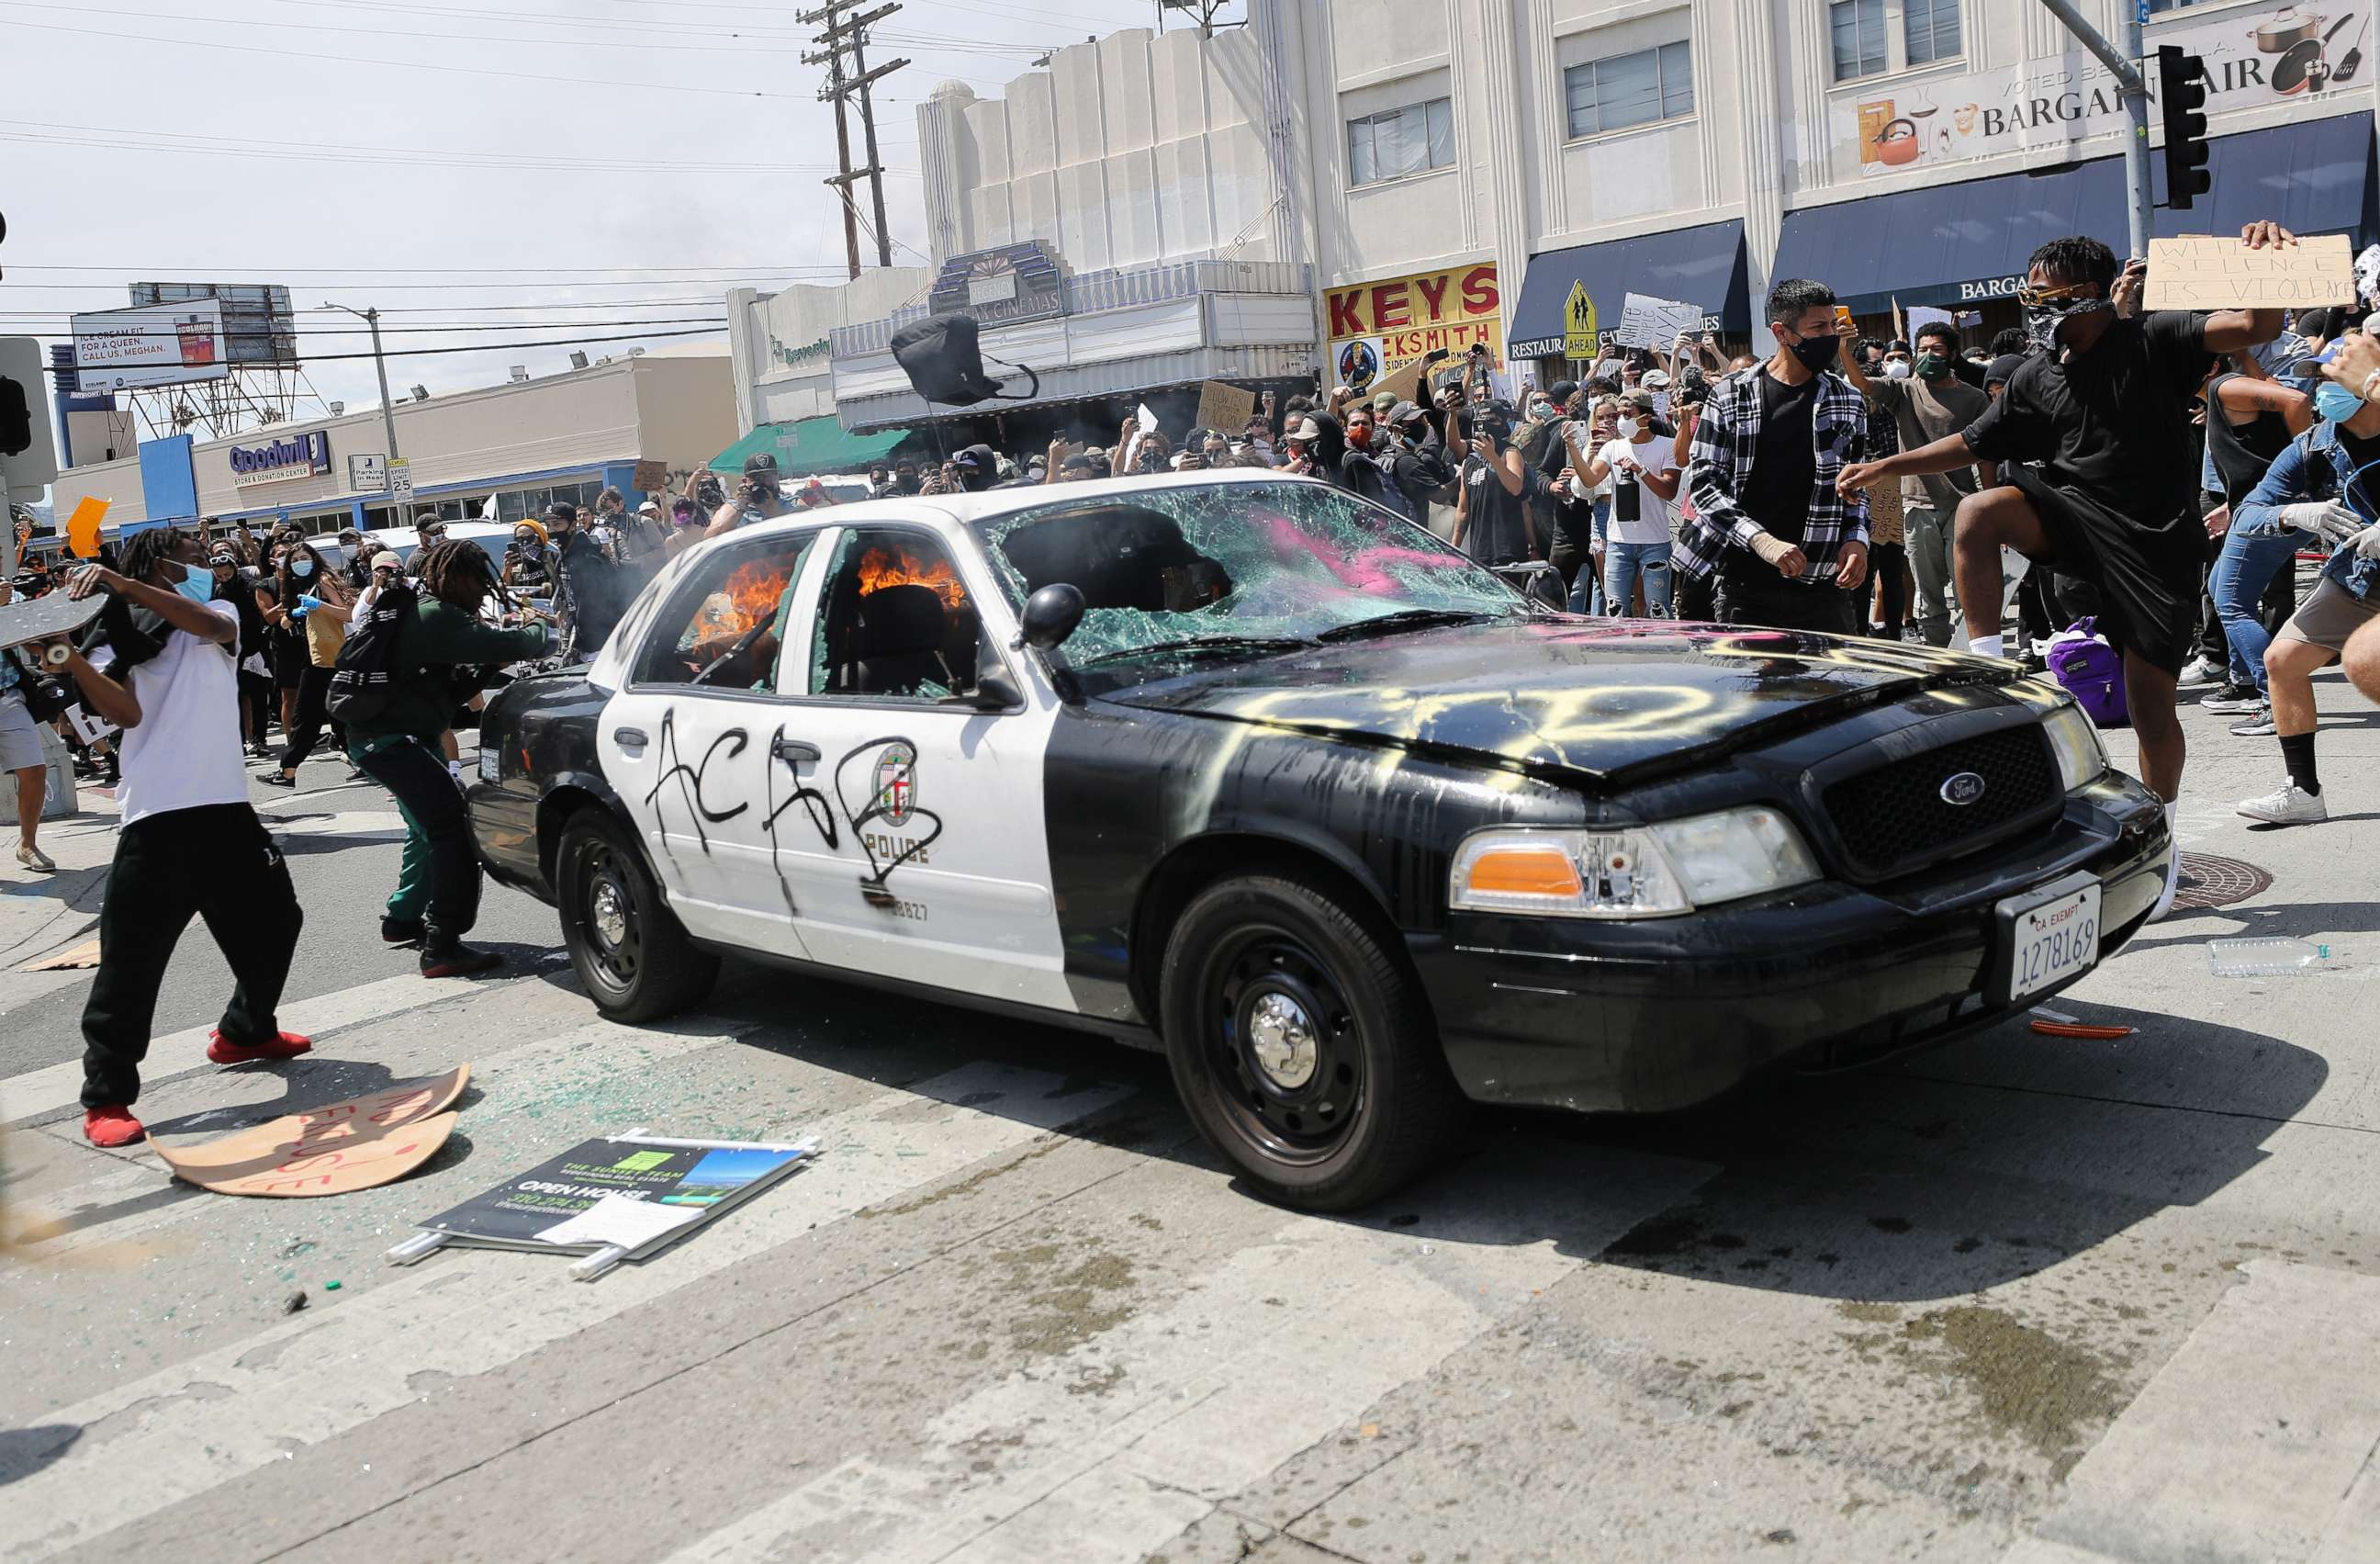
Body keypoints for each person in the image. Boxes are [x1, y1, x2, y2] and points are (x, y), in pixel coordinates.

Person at [1836, 222, 2294, 915]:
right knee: (1978, 513)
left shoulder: (2155, 338)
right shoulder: (2032, 373)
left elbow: (2256, 323)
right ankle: (1987, 664)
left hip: (2154, 545)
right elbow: (1971, 442)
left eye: (2041, 293)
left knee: (2150, 711)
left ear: (2086, 294)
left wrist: (2261, 256)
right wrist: (1888, 464)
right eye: (2026, 291)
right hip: (2074, 519)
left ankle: (2162, 844)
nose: (2031, 303)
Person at [62, 526, 307, 1147]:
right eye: (197, 559)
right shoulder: (116, 631)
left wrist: (118, 580)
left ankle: (246, 1031)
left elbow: (206, 622)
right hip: (157, 815)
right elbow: (124, 713)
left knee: (278, 920)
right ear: (156, 564)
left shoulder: (217, 612)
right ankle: (107, 1096)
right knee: (130, 963)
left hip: (227, 807)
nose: (210, 565)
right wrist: (59, 654)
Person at [346, 539, 550, 973]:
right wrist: (537, 626)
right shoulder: (437, 615)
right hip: (389, 741)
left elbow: (455, 683)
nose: (484, 590)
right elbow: (515, 644)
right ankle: (442, 943)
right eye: (479, 581)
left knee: (428, 828)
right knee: (452, 826)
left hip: (398, 738)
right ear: (456, 578)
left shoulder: (430, 611)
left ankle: (402, 920)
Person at [2227, 347, 2380, 827]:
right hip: (2361, 576)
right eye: (2315, 378)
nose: (2321, 390)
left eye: (2331, 377)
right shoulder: (2313, 446)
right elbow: (2248, 513)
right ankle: (2303, 793)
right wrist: (2294, 513)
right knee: (2281, 661)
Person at [1674, 277, 1872, 632]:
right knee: (1753, 688)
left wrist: (1857, 537)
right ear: (1782, 333)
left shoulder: (1848, 399)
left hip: (1824, 586)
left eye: (1832, 324)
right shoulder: (1730, 398)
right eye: (1818, 327)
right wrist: (1761, 540)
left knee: (1832, 687)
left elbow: (1857, 484)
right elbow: (1704, 487)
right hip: (1746, 586)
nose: (1831, 334)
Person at [1840, 319, 1993, 646]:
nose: (1928, 356)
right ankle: (1938, 653)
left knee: (1966, 585)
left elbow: (1986, 456)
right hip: (1917, 505)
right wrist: (1841, 347)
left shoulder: (1974, 399)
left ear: (1952, 355)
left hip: (1962, 505)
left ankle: (1969, 651)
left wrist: (1991, 502)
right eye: (1921, 350)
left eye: (1936, 349)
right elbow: (1861, 383)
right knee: (1928, 592)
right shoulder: (1904, 391)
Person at [2201, 359, 2315, 732]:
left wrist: (2310, 470)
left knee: (2232, 602)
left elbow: (2296, 401)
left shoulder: (2225, 387)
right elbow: (2256, 461)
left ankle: (2276, 700)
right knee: (2221, 590)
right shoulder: (2218, 398)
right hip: (2255, 508)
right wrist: (2231, 507)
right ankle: (2246, 682)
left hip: (2271, 511)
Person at [1568, 389, 1679, 616]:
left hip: (1655, 541)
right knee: (1615, 610)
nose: (1621, 420)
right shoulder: (1612, 447)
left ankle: (1661, 648)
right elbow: (1590, 480)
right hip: (1619, 542)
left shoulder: (1667, 445)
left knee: (1658, 610)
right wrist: (1572, 449)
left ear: (1646, 417)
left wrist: (1642, 470)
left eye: (1628, 414)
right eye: (1619, 414)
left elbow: (1669, 491)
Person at [259, 539, 353, 788]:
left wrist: (319, 605)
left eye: (304, 558)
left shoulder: (322, 581)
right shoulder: (295, 585)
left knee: (306, 717)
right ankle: (365, 762)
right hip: (314, 656)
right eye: (296, 560)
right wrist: (292, 614)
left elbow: (348, 614)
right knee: (339, 717)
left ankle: (287, 771)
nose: (301, 563)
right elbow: (283, 624)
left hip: (328, 657)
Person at [0, 576, 56, 872]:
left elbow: (35, 640)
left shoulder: (8, 596)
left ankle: (27, 844)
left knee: (34, 771)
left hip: (9, 697)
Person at [1452, 406, 1536, 568]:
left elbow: (1516, 488)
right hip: (1480, 552)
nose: (1486, 424)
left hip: (1509, 550)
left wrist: (1534, 547)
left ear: (1503, 425)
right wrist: (1453, 547)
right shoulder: (1469, 461)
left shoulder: (1510, 452)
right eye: (1481, 421)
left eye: (1491, 420)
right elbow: (1463, 510)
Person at [212, 546, 274, 758]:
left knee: (258, 698)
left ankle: (259, 740)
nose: (224, 578)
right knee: (234, 700)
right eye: (219, 576)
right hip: (230, 652)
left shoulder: (250, 587)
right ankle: (238, 743)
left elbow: (257, 618)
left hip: (254, 648)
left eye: (227, 574)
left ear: (235, 569)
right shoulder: (218, 591)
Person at [704, 454, 793, 538]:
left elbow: (804, 523)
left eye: (769, 477)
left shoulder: (791, 502)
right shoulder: (733, 508)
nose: (764, 483)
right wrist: (739, 508)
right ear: (745, 481)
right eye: (757, 479)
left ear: (777, 478)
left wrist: (773, 509)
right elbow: (710, 538)